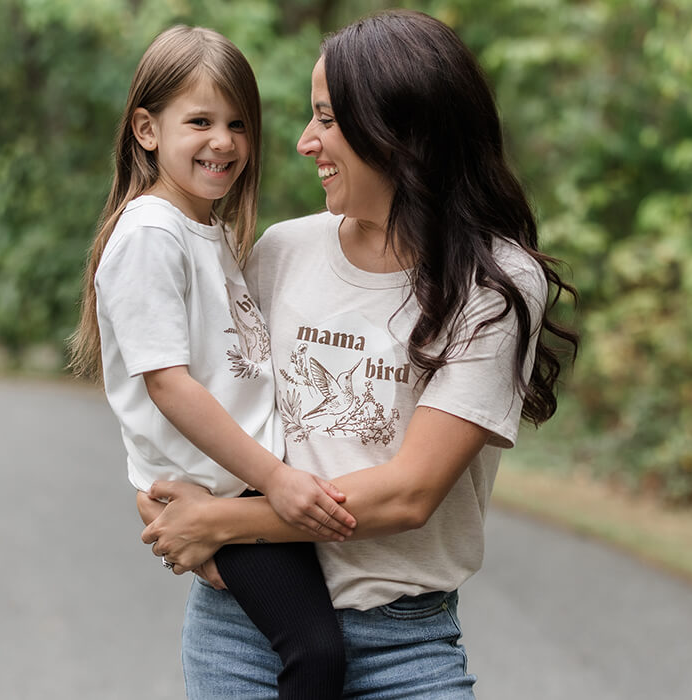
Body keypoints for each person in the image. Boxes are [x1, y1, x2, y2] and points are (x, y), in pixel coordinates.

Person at [137, 10, 579, 699]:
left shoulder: (493, 284)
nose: (303, 142)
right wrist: (163, 507)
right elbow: (190, 398)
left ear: (400, 134)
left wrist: (217, 523)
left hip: (405, 647)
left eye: (326, 119)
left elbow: (410, 493)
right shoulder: (282, 251)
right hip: (248, 631)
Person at [65, 25, 353, 700]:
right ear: (147, 130)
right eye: (199, 122)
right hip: (224, 493)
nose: (223, 141)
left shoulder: (206, 230)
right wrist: (276, 479)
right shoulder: (151, 233)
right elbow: (168, 385)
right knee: (316, 654)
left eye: (237, 123)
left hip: (239, 487)